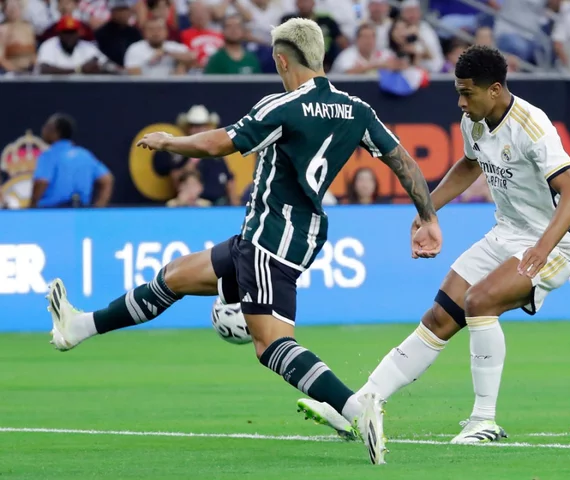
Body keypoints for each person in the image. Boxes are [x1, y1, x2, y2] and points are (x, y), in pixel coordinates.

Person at [45, 18, 441, 466]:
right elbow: (402, 160)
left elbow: (221, 143)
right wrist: (427, 216)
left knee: (270, 345)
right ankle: (78, 327)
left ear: (280, 59)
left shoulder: (284, 106)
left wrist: (172, 142)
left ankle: (355, 407)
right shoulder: (356, 110)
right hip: (285, 233)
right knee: (176, 275)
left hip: (270, 238)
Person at [298, 45, 570, 445]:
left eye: (467, 93)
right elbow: (470, 164)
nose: (460, 101)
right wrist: (428, 208)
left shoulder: (532, 126)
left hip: (550, 245)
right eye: (458, 91)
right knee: (438, 317)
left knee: (479, 303)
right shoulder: (476, 121)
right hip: (504, 235)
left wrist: (540, 250)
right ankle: (363, 403)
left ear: (496, 89)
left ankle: (484, 421)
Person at [31, 113, 115, 208]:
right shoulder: (85, 155)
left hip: (52, 214)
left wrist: (32, 207)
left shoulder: (49, 156)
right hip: (80, 213)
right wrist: (97, 209)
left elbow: (41, 182)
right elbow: (107, 180)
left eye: (47, 127)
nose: (43, 130)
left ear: (56, 132)